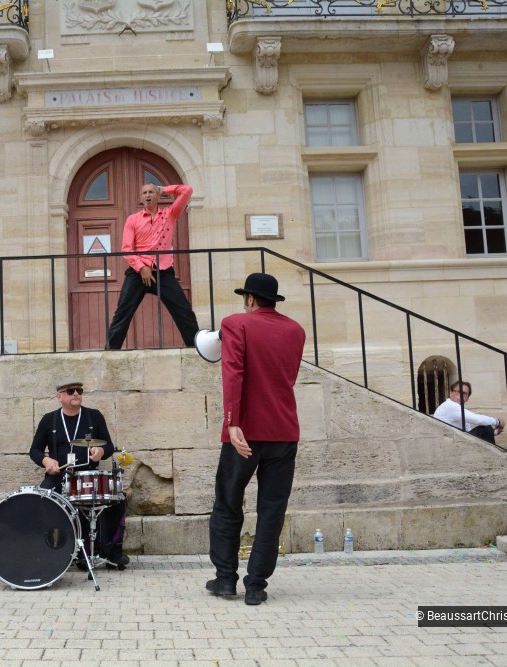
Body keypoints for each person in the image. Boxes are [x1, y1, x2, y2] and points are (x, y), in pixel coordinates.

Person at [207, 273, 306, 606]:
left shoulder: (237, 323)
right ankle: (256, 584)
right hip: (283, 430)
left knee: (228, 503)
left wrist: (232, 422)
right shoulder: (296, 330)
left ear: (249, 298)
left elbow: (233, 371)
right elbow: (285, 377)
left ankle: (224, 580)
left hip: (245, 432)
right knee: (272, 510)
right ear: (272, 300)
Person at [29, 380, 129, 569]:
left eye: (79, 391)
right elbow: (34, 450)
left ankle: (113, 552)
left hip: (88, 474)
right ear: (59, 397)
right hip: (59, 477)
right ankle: (57, 550)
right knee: (43, 498)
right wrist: (46, 461)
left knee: (118, 499)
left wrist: (101, 451)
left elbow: (108, 445)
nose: (76, 394)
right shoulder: (49, 420)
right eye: (70, 391)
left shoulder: (94, 416)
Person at [106, 182, 200, 350]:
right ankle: (111, 352)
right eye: (144, 193)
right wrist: (141, 267)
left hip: (163, 272)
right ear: (141, 198)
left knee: (184, 311)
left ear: (157, 196)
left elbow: (187, 190)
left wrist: (163, 189)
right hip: (138, 272)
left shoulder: (170, 213)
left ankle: (198, 348)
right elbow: (126, 249)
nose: (148, 195)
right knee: (122, 312)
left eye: (151, 192)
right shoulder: (132, 219)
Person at [433, 381, 505, 445]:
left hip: (454, 442)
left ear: (467, 398)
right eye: (458, 392)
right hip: (448, 445)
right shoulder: (450, 406)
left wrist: (494, 432)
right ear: (450, 392)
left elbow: (468, 432)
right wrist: (497, 421)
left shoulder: (459, 410)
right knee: (486, 428)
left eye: (464, 394)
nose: (461, 395)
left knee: (487, 429)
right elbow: (477, 420)